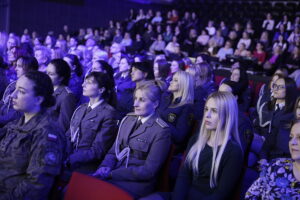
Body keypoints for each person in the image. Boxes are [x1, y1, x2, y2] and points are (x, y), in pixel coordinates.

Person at [93, 81, 171, 198]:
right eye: (135, 99)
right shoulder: (128, 120)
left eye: (142, 100)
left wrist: (112, 173)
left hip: (135, 183)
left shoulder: (161, 131)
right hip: (112, 174)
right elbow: (113, 151)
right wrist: (105, 167)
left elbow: (148, 171)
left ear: (155, 104)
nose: (135, 104)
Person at [0, 71, 65, 199]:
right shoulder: (17, 123)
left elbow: (36, 184)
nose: (13, 95)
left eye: (21, 91)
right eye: (15, 90)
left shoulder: (47, 132)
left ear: (38, 99)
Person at [172, 92, 243, 200]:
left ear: (227, 116)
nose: (207, 115)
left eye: (214, 111)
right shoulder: (196, 139)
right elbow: (183, 177)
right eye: (206, 109)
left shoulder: (233, 151)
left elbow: (221, 194)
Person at [65, 72, 118, 174]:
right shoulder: (81, 108)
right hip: (68, 160)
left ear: (101, 90)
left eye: (88, 82)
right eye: (84, 82)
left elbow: (98, 150)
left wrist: (70, 158)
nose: (83, 85)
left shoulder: (108, 113)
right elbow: (68, 136)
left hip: (85, 166)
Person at [245, 121, 300, 199]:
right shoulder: (276, 166)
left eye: (299, 137)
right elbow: (251, 194)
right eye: (291, 137)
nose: (292, 142)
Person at [0, 56, 39, 127]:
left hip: (11, 126)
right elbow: (2, 103)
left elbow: (16, 116)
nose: (15, 69)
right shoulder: (12, 85)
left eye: (19, 66)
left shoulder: (33, 89)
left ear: (30, 69)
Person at [159, 71, 194, 145]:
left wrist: (159, 121)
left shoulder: (187, 107)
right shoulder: (165, 98)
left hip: (166, 142)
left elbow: (179, 137)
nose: (171, 82)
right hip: (154, 135)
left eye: (175, 80)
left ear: (184, 85)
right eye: (172, 79)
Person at [46, 59, 77, 133]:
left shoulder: (67, 96)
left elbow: (63, 126)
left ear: (61, 77)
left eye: (51, 74)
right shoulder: (45, 89)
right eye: (46, 73)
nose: (46, 76)